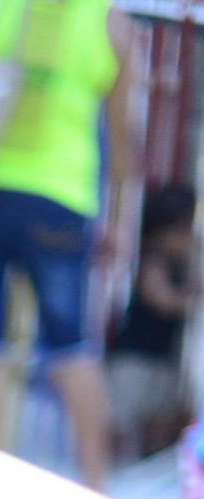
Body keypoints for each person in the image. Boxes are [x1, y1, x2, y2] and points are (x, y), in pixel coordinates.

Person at [0, 0, 136, 488]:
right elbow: (122, 140)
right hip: (60, 198)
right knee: (70, 344)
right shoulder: (109, 21)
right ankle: (96, 487)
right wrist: (117, 219)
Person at [107, 182, 198, 462]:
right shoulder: (151, 259)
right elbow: (163, 300)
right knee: (119, 422)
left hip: (160, 359)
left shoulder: (180, 261)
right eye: (184, 231)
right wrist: (192, 299)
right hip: (134, 359)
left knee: (162, 419)